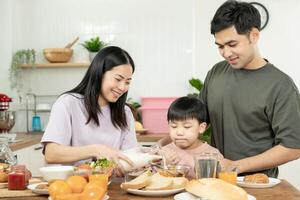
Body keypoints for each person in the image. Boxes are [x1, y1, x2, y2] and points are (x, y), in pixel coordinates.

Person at [199, 0, 300, 177]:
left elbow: (293, 147)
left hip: (259, 186)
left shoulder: (281, 85)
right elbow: (194, 121)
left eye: (232, 44)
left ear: (254, 35)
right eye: (220, 46)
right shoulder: (216, 72)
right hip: (216, 182)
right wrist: (160, 147)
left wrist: (237, 166)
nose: (226, 53)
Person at [41, 46, 138, 173]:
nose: (122, 87)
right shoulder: (68, 103)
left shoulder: (124, 113)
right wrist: (96, 149)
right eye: (118, 79)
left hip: (109, 186)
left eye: (127, 82)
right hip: (72, 186)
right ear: (99, 73)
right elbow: (51, 154)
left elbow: (130, 159)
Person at [160, 96, 223, 178]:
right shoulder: (164, 152)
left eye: (187, 127)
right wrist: (164, 165)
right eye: (174, 126)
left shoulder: (212, 155)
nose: (179, 132)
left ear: (201, 128)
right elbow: (152, 179)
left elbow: (220, 181)